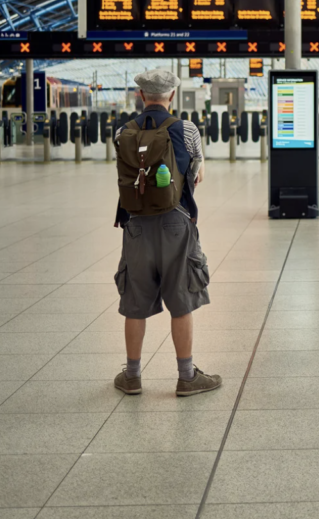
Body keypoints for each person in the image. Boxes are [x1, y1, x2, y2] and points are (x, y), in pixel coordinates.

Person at [112, 68, 219, 397]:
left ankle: (131, 376)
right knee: (182, 298)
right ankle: (186, 377)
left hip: (136, 225)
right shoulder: (186, 130)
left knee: (135, 300)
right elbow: (197, 173)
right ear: (172, 96)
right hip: (176, 223)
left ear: (141, 96)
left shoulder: (123, 132)